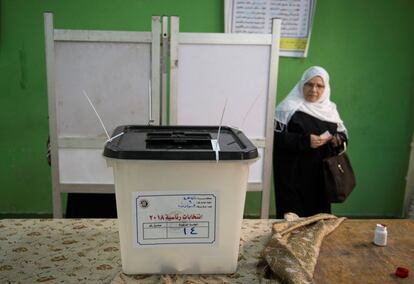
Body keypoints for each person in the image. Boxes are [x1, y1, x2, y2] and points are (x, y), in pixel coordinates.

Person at [273, 66, 348, 218]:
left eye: (319, 86)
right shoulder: (287, 109)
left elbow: (342, 136)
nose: (314, 89)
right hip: (292, 176)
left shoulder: (330, 110)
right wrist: (305, 141)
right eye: (309, 84)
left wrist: (336, 140)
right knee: (292, 222)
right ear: (302, 85)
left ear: (325, 88)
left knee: (318, 222)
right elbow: (274, 137)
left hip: (321, 178)